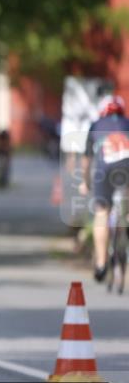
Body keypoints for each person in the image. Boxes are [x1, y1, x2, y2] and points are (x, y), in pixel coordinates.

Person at [80, 94, 129, 283]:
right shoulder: (127, 123)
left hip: (105, 167)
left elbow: (86, 162)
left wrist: (86, 183)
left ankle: (101, 265)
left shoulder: (95, 126)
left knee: (102, 212)